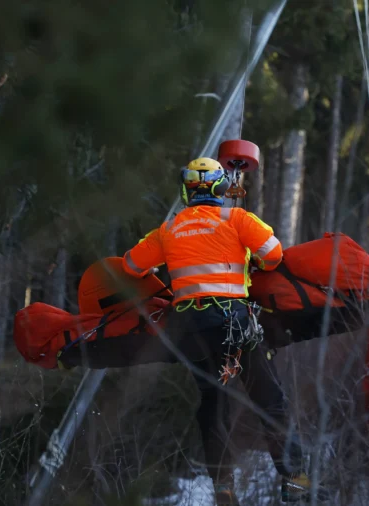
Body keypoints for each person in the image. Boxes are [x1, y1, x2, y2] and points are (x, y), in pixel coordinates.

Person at [122, 157, 317, 505]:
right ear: (220, 188)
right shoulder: (236, 218)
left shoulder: (169, 229)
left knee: (213, 405)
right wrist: (246, 256)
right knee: (269, 400)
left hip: (191, 329)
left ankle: (224, 488)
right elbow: (273, 256)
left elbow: (132, 265)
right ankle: (295, 480)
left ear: (186, 189)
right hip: (234, 322)